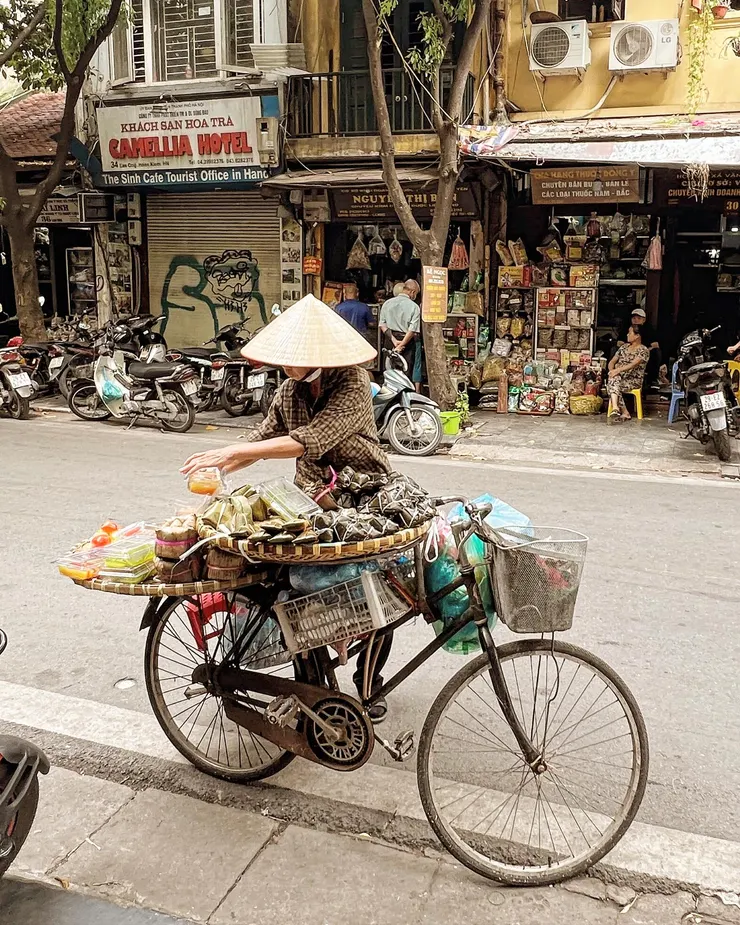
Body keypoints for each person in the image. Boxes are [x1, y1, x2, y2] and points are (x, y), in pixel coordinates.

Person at [180, 294, 394, 723]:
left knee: (375, 595)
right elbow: (262, 441)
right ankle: (310, 684)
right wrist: (222, 461)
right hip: (310, 500)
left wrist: (230, 451)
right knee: (297, 592)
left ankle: (368, 689)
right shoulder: (288, 391)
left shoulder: (352, 384)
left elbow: (308, 439)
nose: (289, 366)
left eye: (298, 359)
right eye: (286, 359)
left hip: (362, 497)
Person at [606, 326, 650, 422]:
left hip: (633, 380)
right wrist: (611, 371)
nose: (627, 335)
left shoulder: (643, 350)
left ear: (637, 336)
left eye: (630, 333)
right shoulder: (624, 347)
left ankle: (620, 410)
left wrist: (617, 371)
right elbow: (612, 361)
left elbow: (632, 364)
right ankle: (617, 409)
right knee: (613, 381)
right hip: (619, 378)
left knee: (612, 384)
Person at [379, 279, 420, 375]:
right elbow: (412, 330)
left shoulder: (387, 303)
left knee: (388, 372)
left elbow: (382, 325)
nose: (415, 296)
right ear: (412, 292)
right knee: (405, 373)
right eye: (416, 294)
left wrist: (393, 340)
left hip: (390, 340)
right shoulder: (414, 307)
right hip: (406, 342)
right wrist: (401, 345)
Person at [620, 307, 660, 386]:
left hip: (643, 354)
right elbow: (619, 342)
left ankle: (652, 380)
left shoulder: (649, 330)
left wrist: (644, 350)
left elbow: (655, 344)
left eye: (638, 318)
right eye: (634, 318)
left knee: (656, 352)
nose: (635, 320)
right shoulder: (627, 328)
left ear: (644, 320)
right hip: (628, 353)